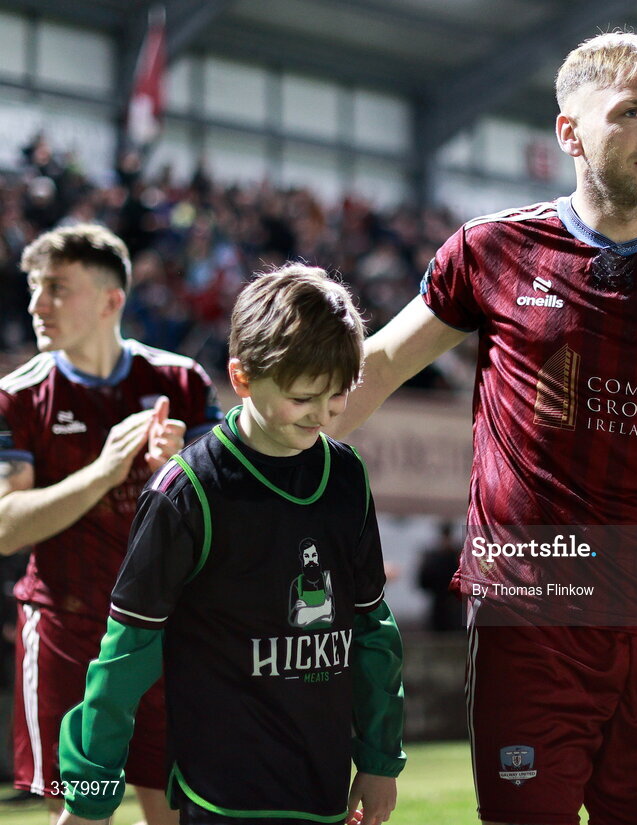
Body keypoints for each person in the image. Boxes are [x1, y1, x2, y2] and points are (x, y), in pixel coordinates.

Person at [329, 31, 637, 825]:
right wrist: (243, 448)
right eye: (631, 111)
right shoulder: (491, 249)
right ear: (569, 132)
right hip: (532, 626)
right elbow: (381, 363)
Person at [56, 265, 405, 825]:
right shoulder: (185, 492)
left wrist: (380, 759)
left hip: (324, 791)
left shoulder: (347, 476)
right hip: (220, 793)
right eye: (302, 398)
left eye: (338, 398)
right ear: (241, 378)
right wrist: (91, 791)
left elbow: (371, 627)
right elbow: (127, 652)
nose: (322, 416)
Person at [0, 224, 222, 825]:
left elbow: (225, 517)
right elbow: (5, 527)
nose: (35, 305)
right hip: (64, 630)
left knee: (173, 811)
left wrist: (182, 471)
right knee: (77, 813)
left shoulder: (182, 383)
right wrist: (104, 471)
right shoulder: (15, 398)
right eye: (33, 288)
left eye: (55, 288)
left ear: (111, 300)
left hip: (165, 632)